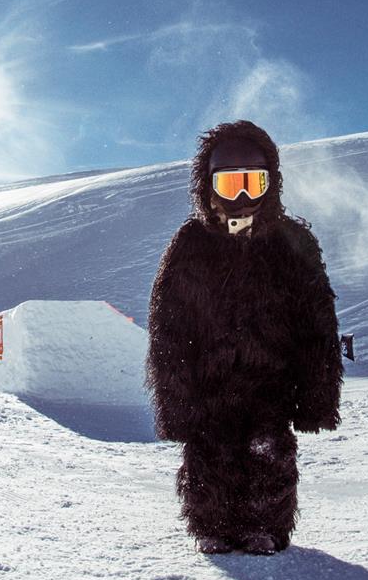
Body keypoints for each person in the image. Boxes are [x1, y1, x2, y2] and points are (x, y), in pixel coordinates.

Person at [146, 120, 342, 555]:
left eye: (253, 183)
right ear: (207, 185)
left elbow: (317, 323)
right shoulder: (191, 244)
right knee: (210, 452)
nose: (241, 197)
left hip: (271, 383)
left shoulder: (291, 241)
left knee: (268, 452)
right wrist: (177, 399)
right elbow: (169, 330)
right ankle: (211, 525)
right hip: (208, 384)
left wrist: (315, 396)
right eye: (230, 183)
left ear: (270, 184)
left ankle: (265, 527)